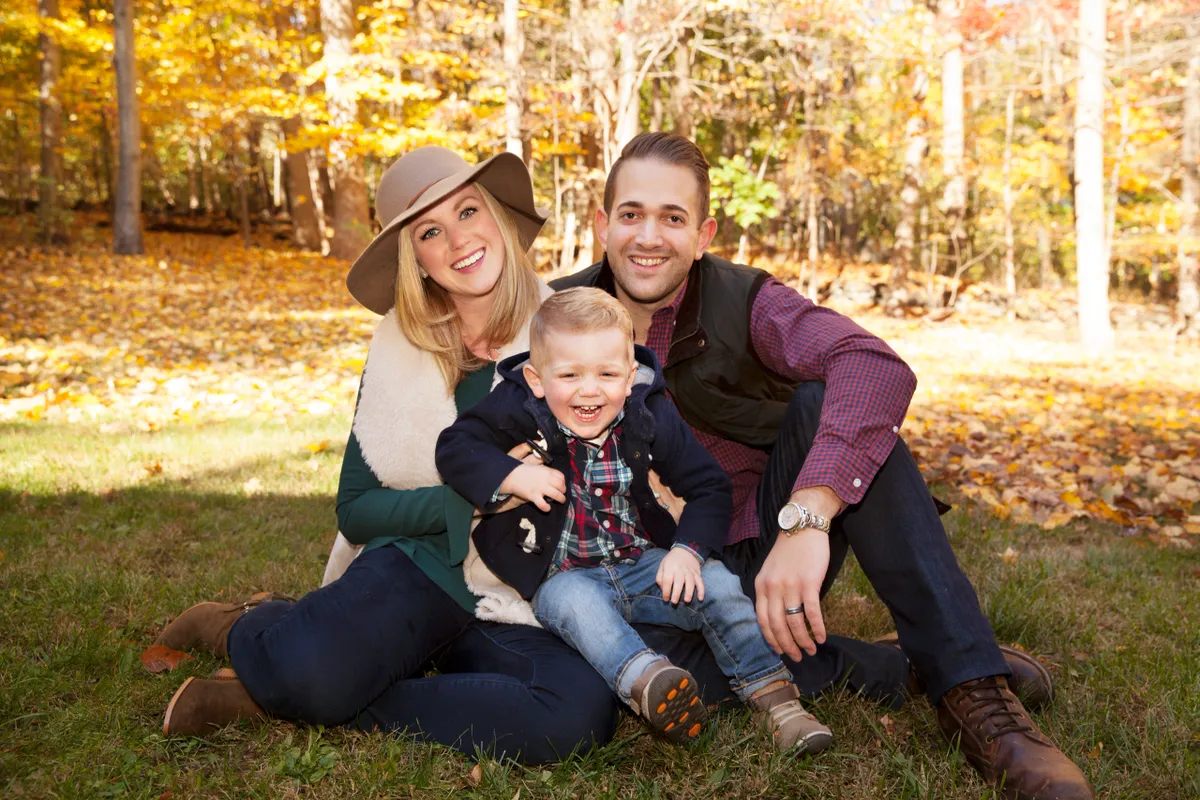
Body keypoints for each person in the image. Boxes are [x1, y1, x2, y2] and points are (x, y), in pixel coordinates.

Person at [551, 132, 1093, 800]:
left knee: (840, 407)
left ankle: (976, 694)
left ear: (703, 234)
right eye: (631, 214)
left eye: (673, 217)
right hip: (632, 579)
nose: (648, 237)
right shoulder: (553, 313)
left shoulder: (743, 300)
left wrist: (807, 516)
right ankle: (898, 666)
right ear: (601, 223)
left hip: (757, 550)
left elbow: (873, 363)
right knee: (631, 661)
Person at [152, 146, 618, 764]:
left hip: (517, 592)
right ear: (415, 257)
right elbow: (357, 508)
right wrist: (465, 503)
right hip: (420, 569)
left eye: (468, 211)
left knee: (579, 712)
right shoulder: (401, 349)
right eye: (430, 231)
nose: (458, 240)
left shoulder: (566, 331)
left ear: (497, 217)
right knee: (310, 671)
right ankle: (246, 627)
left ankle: (311, 696)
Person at [435, 287, 833, 755]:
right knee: (577, 607)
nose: (589, 390)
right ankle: (650, 683)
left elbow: (708, 486)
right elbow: (455, 446)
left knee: (720, 586)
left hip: (644, 562)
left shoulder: (649, 413)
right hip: (562, 573)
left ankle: (779, 704)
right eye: (569, 374)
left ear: (629, 377)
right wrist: (513, 475)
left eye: (607, 374)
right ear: (537, 380)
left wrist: (687, 552)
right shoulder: (518, 406)